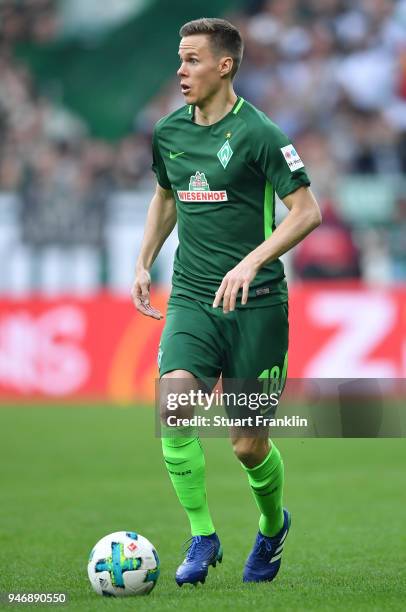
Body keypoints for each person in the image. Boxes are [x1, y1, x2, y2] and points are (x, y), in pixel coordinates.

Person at [132, 17, 321, 587]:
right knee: (174, 408)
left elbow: (307, 211)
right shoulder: (168, 131)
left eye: (192, 60)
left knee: (246, 444)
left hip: (257, 304)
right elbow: (166, 196)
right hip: (192, 296)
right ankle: (202, 534)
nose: (181, 70)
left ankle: (271, 526)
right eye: (179, 58)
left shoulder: (262, 134)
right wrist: (144, 261)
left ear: (225, 65)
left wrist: (252, 260)